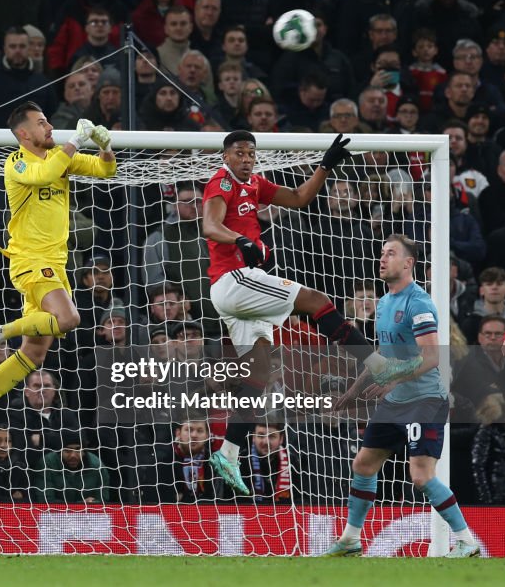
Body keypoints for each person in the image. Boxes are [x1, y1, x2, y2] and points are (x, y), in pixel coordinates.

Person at [200, 130, 421, 496]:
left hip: (237, 288)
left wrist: (325, 166)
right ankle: (378, 364)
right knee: (317, 301)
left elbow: (301, 197)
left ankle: (228, 450)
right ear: (225, 156)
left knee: (258, 373)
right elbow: (209, 224)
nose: (246, 158)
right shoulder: (220, 182)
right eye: (239, 153)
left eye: (250, 153)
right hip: (234, 279)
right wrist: (239, 240)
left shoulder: (254, 183)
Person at [327, 235, 480, 558]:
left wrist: (392, 380)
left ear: (408, 263)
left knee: (421, 476)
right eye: (382, 253)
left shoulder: (419, 303)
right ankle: (351, 540)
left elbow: (431, 358)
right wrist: (354, 392)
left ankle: (466, 540)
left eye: (391, 253)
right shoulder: (384, 302)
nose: (382, 259)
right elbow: (382, 355)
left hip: (424, 401)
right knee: (364, 464)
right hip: (395, 400)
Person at [0, 103, 115, 432]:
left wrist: (105, 147)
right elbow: (45, 175)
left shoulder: (57, 156)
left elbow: (106, 171)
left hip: (56, 264)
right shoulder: (17, 163)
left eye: (48, 120)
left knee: (33, 354)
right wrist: (76, 140)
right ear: (24, 134)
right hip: (31, 260)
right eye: (41, 123)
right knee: (69, 319)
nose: (49, 127)